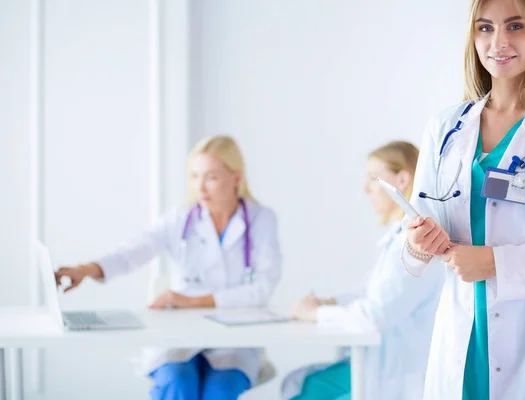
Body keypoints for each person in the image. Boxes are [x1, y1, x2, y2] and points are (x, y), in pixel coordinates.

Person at [401, 0, 525, 399]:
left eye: (515, 26)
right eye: (485, 28)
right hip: (463, 337)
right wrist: (416, 245)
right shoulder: (445, 128)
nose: (498, 42)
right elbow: (410, 250)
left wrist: (495, 262)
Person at [55, 136, 282, 400]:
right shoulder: (181, 218)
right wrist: (86, 269)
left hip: (234, 337)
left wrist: (191, 300)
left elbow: (263, 287)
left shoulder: (261, 219)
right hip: (182, 333)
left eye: (211, 177)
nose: (200, 187)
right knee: (177, 384)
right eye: (195, 176)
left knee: (220, 391)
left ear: (236, 177)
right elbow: (133, 251)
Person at [283, 141, 444, 400]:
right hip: (380, 366)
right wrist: (330, 302)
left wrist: (316, 313)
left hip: (397, 377)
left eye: (373, 179)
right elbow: (371, 292)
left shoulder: (416, 243)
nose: (366, 189)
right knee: (297, 384)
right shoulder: (396, 236)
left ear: (402, 179)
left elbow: (375, 315)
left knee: (302, 389)